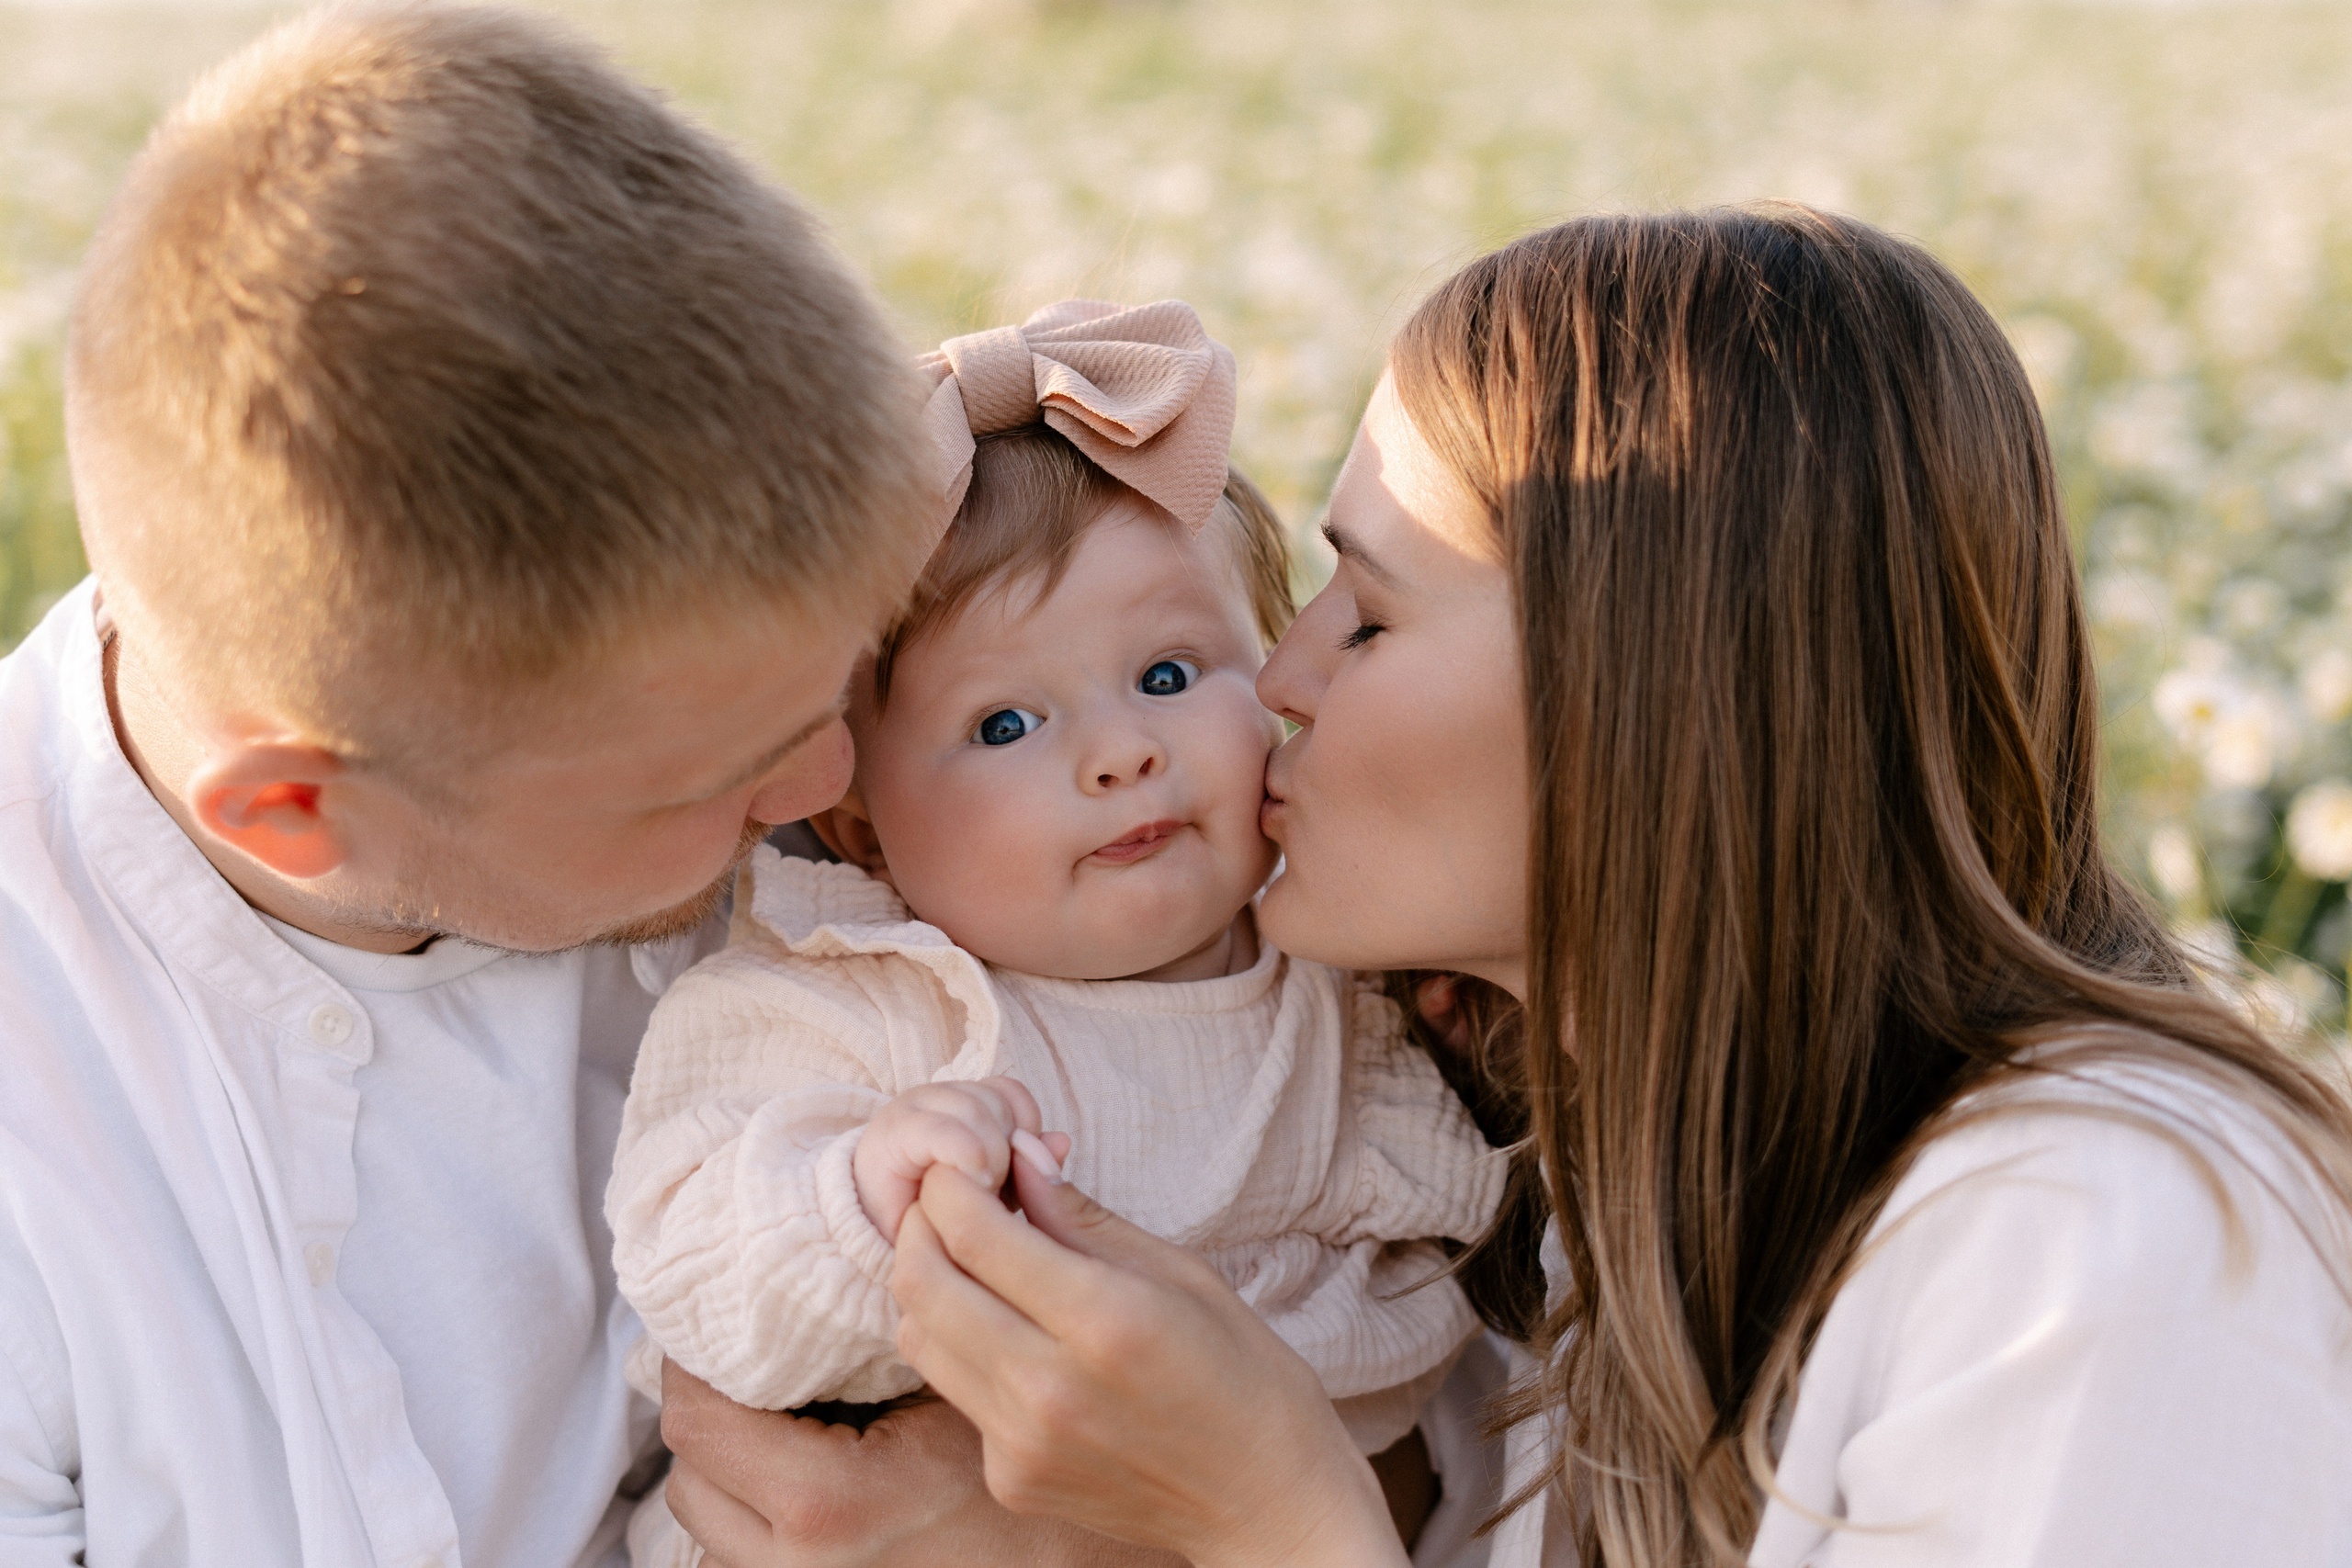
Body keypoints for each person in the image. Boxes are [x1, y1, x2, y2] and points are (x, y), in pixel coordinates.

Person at [660, 207, 2352, 1567]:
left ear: (1651, 696)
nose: (1281, 680)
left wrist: (1264, 1516)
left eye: (1368, 611)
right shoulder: (1576, 1196)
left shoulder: (2110, 1238)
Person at [0, 5, 952, 1562]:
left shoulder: (679, 753)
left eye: (840, 686)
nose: (839, 779)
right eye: (718, 775)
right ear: (293, 810)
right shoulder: (42, 1168)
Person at [606, 299, 1503, 1566]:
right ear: (861, 826)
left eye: (1171, 674)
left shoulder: (1340, 990)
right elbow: (694, 1262)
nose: (1122, 751)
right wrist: (864, 1195)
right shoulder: (850, 1001)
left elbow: (1460, 1277)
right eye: (1007, 726)